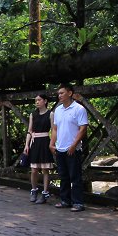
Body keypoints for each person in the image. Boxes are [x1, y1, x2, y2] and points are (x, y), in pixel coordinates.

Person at [49, 83, 89, 212]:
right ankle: (65, 200)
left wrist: (74, 145)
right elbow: (55, 128)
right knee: (63, 176)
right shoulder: (58, 110)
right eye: (58, 93)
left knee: (75, 176)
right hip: (60, 148)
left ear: (70, 93)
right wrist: (52, 143)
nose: (59, 95)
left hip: (73, 148)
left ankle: (78, 202)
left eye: (62, 93)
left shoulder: (79, 109)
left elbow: (83, 129)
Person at [22, 93, 55, 204]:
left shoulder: (51, 114)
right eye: (36, 100)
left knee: (45, 169)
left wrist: (52, 143)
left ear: (45, 101)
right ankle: (34, 190)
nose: (37, 102)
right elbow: (29, 130)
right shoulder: (33, 114)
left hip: (45, 141)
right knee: (34, 169)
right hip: (35, 142)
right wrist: (26, 145)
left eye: (39, 100)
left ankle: (45, 193)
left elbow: (54, 130)